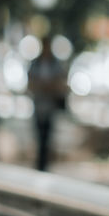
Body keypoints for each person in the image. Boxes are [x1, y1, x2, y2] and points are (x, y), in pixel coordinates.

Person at [27, 35, 68, 171]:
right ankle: (40, 163)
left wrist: (45, 86)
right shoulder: (36, 63)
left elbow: (59, 82)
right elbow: (31, 83)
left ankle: (45, 164)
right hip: (39, 105)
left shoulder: (54, 64)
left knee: (48, 135)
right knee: (39, 134)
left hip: (49, 106)